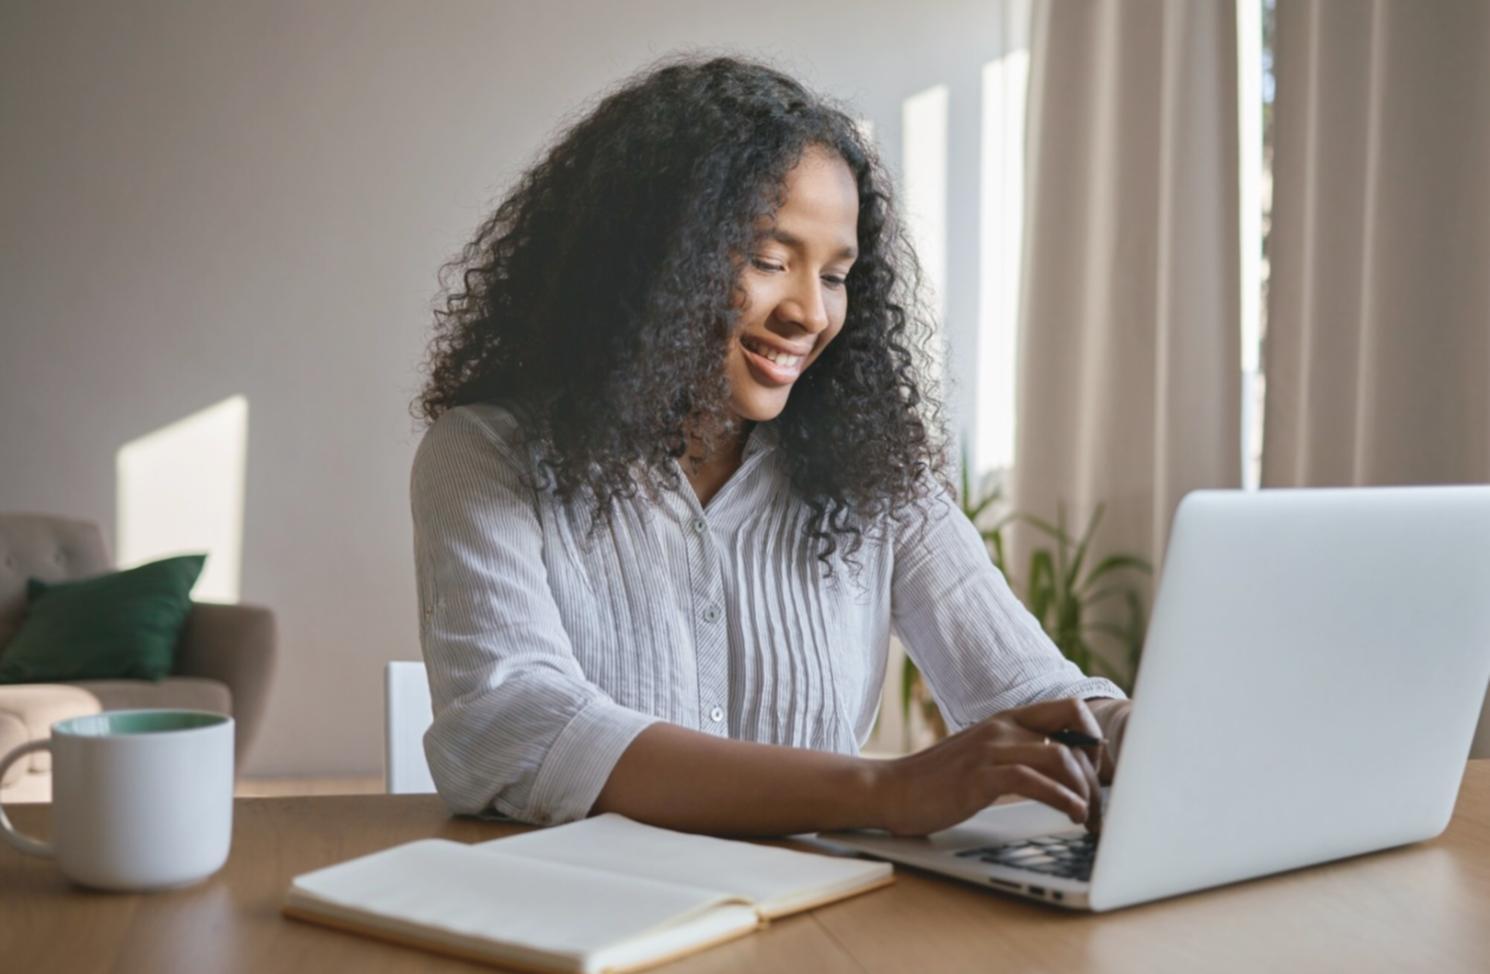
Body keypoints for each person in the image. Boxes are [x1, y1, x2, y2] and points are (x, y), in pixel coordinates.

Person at [409, 55, 1131, 837]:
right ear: (649, 258)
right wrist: (880, 790)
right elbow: (520, 727)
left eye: (837, 275)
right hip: (590, 930)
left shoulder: (877, 477)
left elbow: (1030, 691)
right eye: (769, 260)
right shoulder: (486, 456)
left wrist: (1129, 734)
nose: (810, 314)